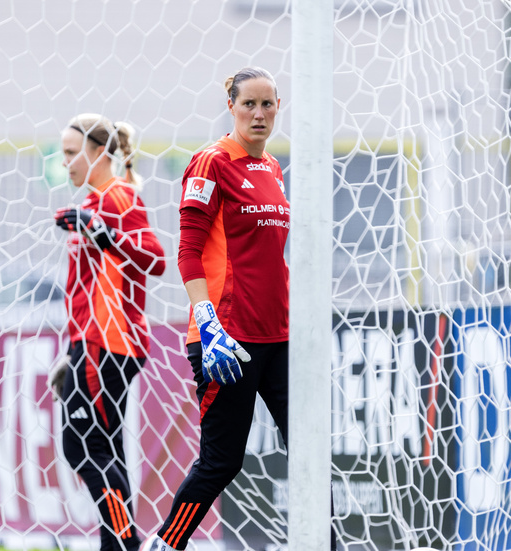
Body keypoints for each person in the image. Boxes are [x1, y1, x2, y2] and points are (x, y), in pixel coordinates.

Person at [141, 68, 335, 551]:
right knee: (222, 462)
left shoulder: (272, 168)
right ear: (231, 105)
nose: (259, 114)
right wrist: (206, 321)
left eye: (268, 104)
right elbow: (187, 252)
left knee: (311, 452)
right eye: (249, 104)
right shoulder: (210, 163)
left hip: (280, 336)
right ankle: (164, 545)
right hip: (227, 340)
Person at [49, 113, 165, 551]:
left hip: (109, 342)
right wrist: (71, 350)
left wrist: (101, 231)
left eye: (69, 153)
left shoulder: (118, 197)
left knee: (83, 449)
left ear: (97, 152)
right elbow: (86, 289)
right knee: (104, 450)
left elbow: (155, 258)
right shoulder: (95, 204)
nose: (65, 164)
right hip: (91, 343)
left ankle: (128, 543)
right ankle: (116, 545)